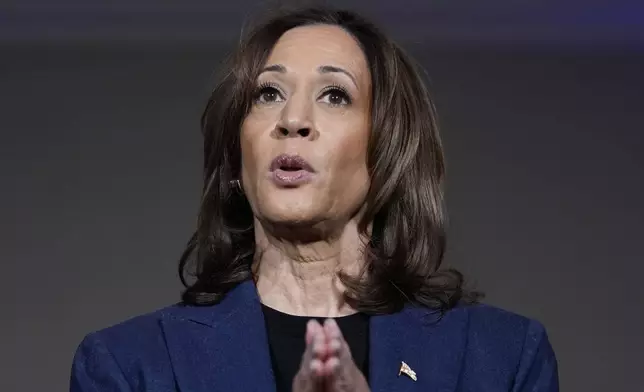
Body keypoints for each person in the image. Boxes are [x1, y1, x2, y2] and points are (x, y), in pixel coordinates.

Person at [70, 6, 559, 392]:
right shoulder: (130, 365)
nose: (293, 118)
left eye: (334, 95)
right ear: (238, 157)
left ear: (387, 151)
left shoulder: (503, 359)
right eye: (268, 94)